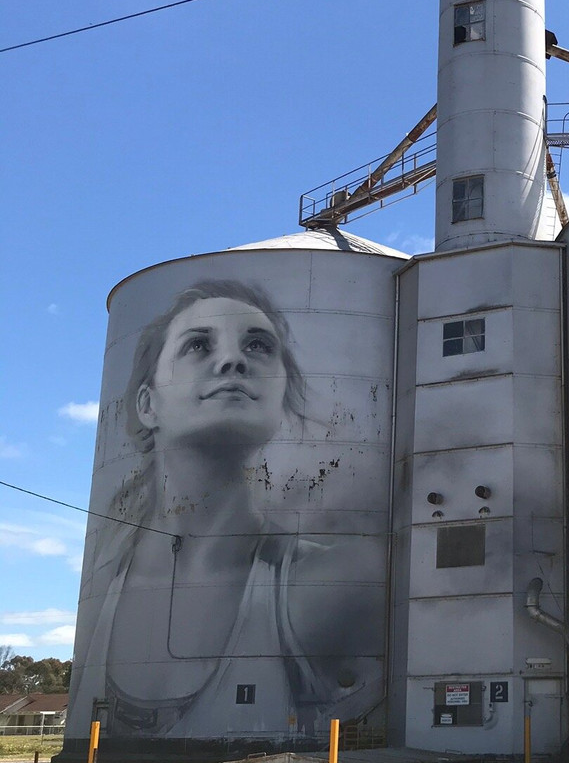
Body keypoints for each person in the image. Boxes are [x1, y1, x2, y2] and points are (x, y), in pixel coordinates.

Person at [71, 280, 377, 740]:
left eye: (258, 345)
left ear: (281, 397)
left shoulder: (326, 582)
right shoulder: (103, 579)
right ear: (148, 405)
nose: (233, 361)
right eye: (198, 345)